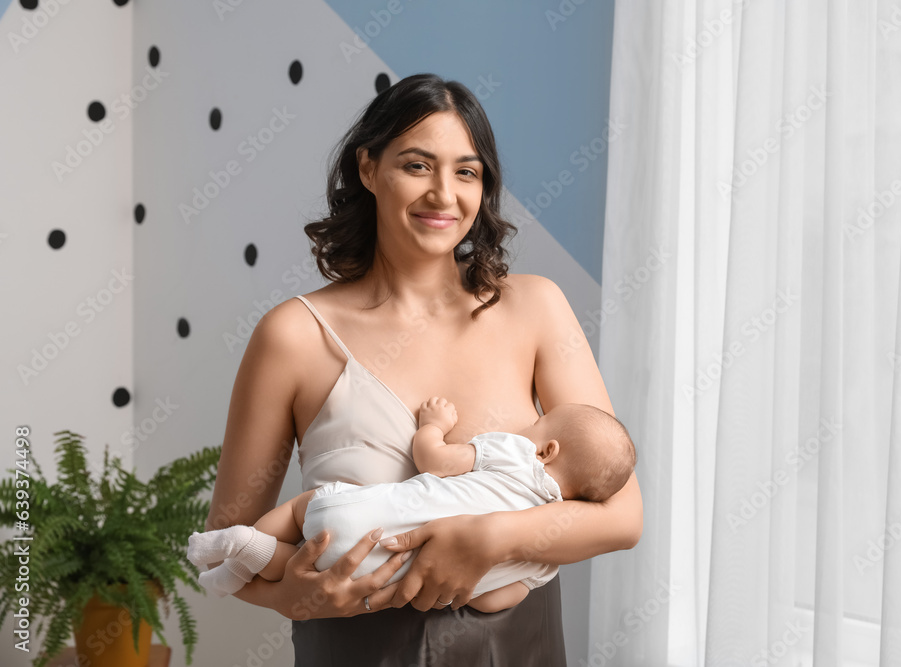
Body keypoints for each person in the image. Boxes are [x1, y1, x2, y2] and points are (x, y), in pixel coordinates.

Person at [204, 72, 643, 666]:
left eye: (466, 172)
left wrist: (489, 538)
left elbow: (621, 515)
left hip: (518, 650)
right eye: (416, 165)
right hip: (358, 648)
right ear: (368, 169)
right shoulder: (293, 336)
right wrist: (292, 600)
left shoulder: (535, 308)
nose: (444, 194)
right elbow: (227, 541)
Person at [189, 397, 636, 612]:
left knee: (302, 511)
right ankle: (247, 555)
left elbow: (435, 460)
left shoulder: (516, 454)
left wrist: (434, 425)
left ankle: (242, 548)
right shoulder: (545, 565)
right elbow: (488, 603)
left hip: (354, 515)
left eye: (536, 424)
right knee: (302, 560)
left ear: (547, 451)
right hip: (382, 586)